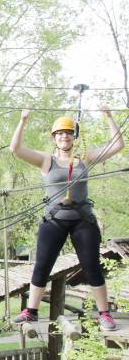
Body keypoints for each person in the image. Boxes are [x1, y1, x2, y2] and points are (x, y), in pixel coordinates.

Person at [9, 108, 124, 331]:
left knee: (92, 267)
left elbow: (118, 145)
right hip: (54, 220)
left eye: (69, 133)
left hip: (83, 221)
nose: (64, 136)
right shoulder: (46, 161)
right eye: (60, 133)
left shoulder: (85, 158)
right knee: (42, 266)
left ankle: (105, 314)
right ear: (54, 137)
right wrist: (23, 121)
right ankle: (31, 312)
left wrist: (109, 117)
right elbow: (16, 149)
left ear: (74, 137)